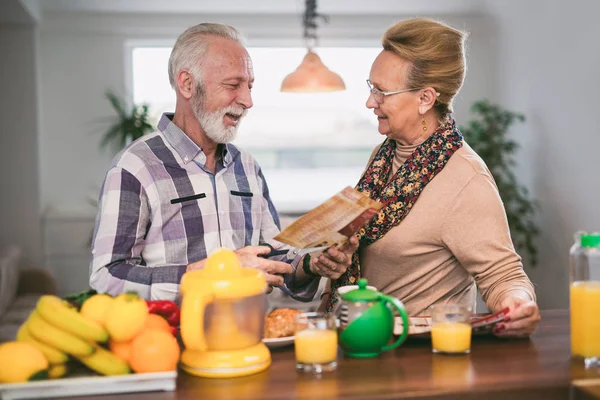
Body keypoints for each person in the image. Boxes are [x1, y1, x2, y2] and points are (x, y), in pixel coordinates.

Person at [90, 23, 358, 301]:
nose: (247, 100)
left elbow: (274, 257)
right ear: (187, 83)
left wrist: (311, 264)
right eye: (233, 85)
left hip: (249, 333)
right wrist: (209, 274)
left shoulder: (248, 167)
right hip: (172, 339)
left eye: (249, 86)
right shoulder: (135, 166)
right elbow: (107, 276)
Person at [320, 18, 540, 338]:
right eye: (371, 87)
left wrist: (518, 305)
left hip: (415, 357)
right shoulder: (383, 158)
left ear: (425, 99)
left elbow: (504, 275)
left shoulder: (466, 178)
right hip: (361, 339)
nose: (370, 102)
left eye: (382, 92)